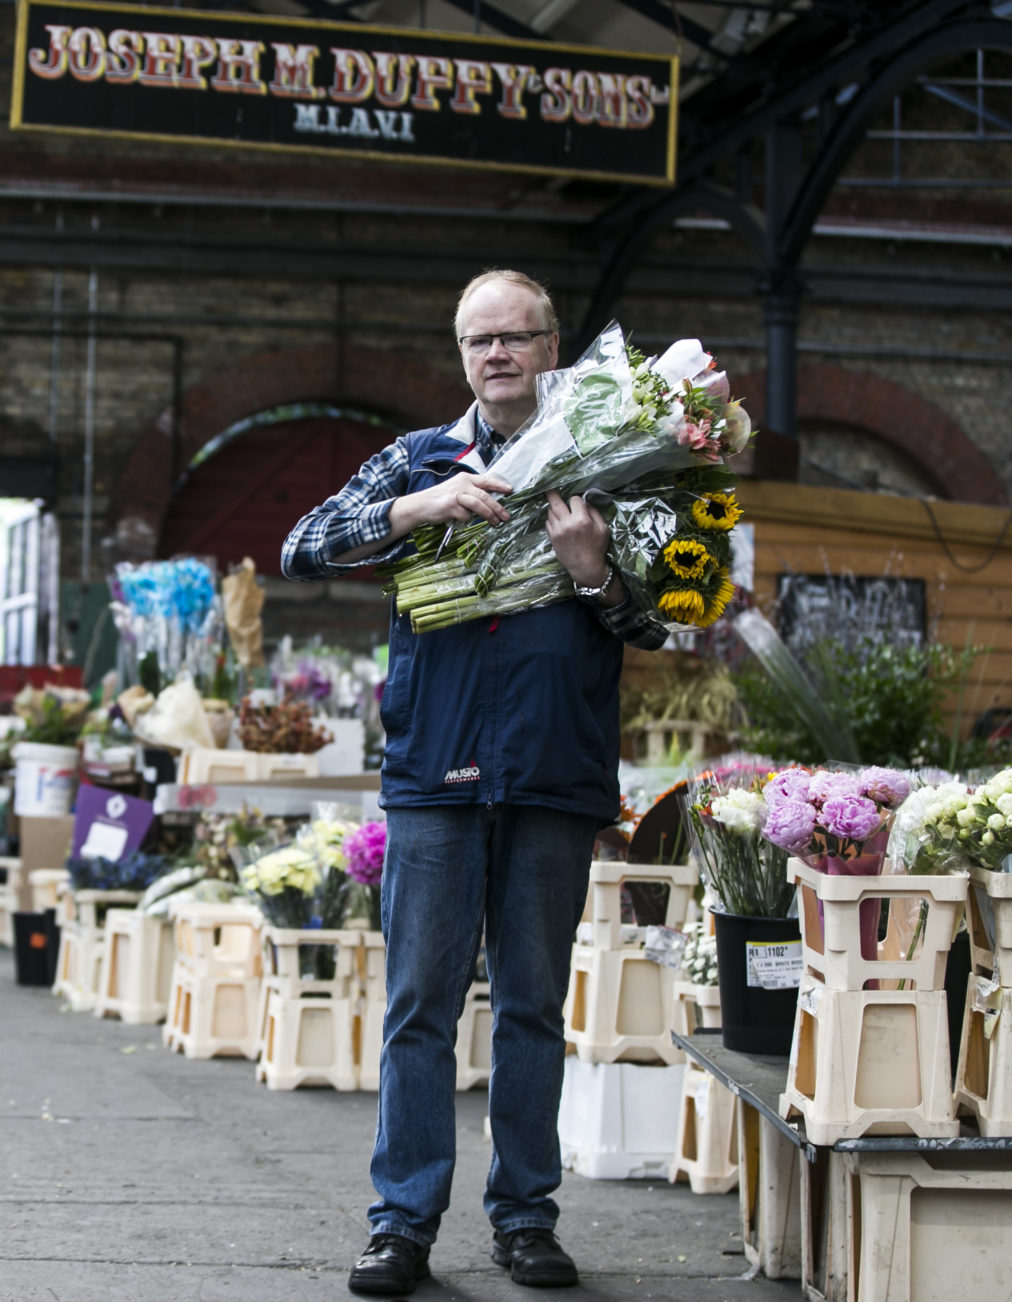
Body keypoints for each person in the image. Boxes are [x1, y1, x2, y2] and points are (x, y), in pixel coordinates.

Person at [282, 269, 667, 1296]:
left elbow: (660, 624)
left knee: (533, 1008)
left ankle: (526, 1220)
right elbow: (299, 545)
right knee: (420, 1007)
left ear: (554, 347)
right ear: (462, 357)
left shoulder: (606, 467)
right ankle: (401, 1224)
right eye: (478, 341)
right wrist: (419, 507)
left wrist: (592, 570)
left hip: (552, 775)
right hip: (435, 777)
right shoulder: (417, 459)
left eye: (516, 337)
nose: (497, 355)